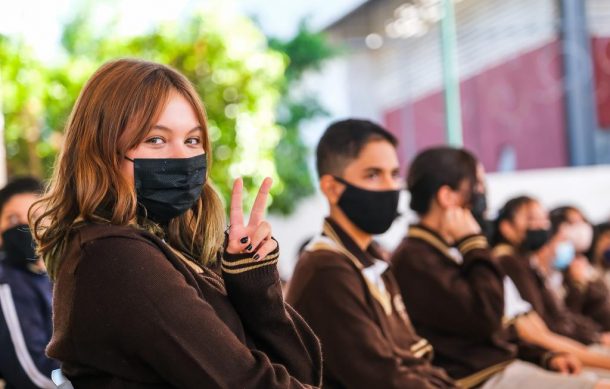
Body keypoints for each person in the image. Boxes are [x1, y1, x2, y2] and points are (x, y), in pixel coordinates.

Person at [31, 59, 322, 388]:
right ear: (103, 150)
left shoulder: (178, 250)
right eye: (156, 139)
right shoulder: (114, 257)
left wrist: (252, 281)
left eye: (193, 141)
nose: (183, 157)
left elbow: (302, 372)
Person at [392, 146, 608, 389]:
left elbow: (506, 329)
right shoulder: (416, 258)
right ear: (447, 197)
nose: (481, 195)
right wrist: (473, 243)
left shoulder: (445, 249)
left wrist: (544, 357)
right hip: (479, 378)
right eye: (477, 186)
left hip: (504, 366)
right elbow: (488, 316)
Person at [286, 120, 456, 388]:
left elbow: (412, 357)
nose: (391, 187)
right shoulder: (326, 268)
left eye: (394, 173)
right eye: (373, 175)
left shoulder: (373, 260)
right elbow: (382, 378)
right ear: (332, 188)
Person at [493, 197, 610, 371]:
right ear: (506, 227)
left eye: (544, 219)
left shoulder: (524, 264)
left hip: (560, 349)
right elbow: (542, 330)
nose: (541, 226)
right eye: (532, 219)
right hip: (547, 353)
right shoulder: (508, 262)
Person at [0, 177, 57, 389]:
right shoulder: (7, 284)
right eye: (13, 220)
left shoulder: (53, 275)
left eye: (35, 217)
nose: (26, 227)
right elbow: (32, 374)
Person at [550, 206, 610, 332]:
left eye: (582, 221)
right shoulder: (557, 267)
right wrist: (577, 284)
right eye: (573, 222)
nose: (581, 228)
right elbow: (566, 316)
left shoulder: (587, 264)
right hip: (593, 337)